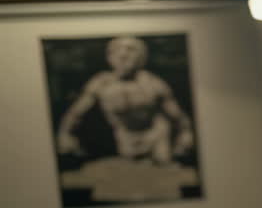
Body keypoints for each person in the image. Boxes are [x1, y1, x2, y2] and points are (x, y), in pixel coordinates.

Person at [56, 36, 194, 165]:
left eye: (131, 50)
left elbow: (177, 115)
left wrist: (186, 133)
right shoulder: (100, 83)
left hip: (155, 136)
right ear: (109, 57)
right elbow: (76, 113)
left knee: (162, 169)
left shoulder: (153, 83)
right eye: (117, 50)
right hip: (123, 137)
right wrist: (65, 134)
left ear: (141, 57)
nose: (123, 55)